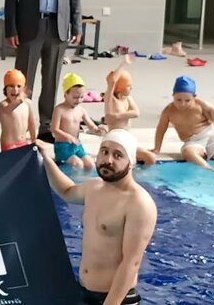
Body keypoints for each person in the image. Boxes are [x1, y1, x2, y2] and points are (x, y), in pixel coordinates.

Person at [38, 129, 157, 305]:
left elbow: (131, 263)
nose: (108, 160)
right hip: (84, 292)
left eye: (118, 155)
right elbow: (66, 191)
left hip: (116, 299)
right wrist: (45, 158)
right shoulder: (93, 188)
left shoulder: (139, 203)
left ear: (131, 162)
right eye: (104, 151)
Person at [4, 0, 82, 141]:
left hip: (57, 27)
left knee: (51, 80)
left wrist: (76, 24)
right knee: (22, 79)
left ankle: (46, 126)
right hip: (29, 27)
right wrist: (11, 29)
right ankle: (20, 125)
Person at [152, 76, 214, 174]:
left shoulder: (200, 105)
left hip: (211, 136)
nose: (182, 104)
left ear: (194, 97)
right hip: (193, 141)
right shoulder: (168, 111)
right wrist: (157, 148)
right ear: (173, 96)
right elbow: (161, 129)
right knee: (189, 153)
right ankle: (211, 170)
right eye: (178, 100)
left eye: (187, 100)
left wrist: (209, 107)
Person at [104, 57, 158, 168]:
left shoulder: (128, 99)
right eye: (128, 86)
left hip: (127, 138)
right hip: (116, 138)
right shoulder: (110, 99)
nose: (131, 88)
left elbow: (136, 113)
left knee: (151, 158)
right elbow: (112, 81)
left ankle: (139, 176)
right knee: (128, 164)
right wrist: (124, 63)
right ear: (120, 87)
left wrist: (117, 116)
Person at [51, 73, 103, 170]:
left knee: (90, 164)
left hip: (77, 145)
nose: (78, 100)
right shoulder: (59, 109)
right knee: (78, 164)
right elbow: (54, 129)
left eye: (81, 97)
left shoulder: (81, 110)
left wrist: (98, 130)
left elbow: (91, 126)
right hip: (62, 147)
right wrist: (68, 137)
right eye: (75, 97)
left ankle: (85, 180)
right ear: (65, 94)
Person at [0, 69, 42, 154]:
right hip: (10, 146)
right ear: (5, 88)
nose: (15, 89)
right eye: (11, 86)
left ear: (24, 88)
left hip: (24, 143)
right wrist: (20, 100)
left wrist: (34, 139)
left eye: (19, 86)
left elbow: (31, 124)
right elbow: (8, 109)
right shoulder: (4, 104)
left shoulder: (27, 103)